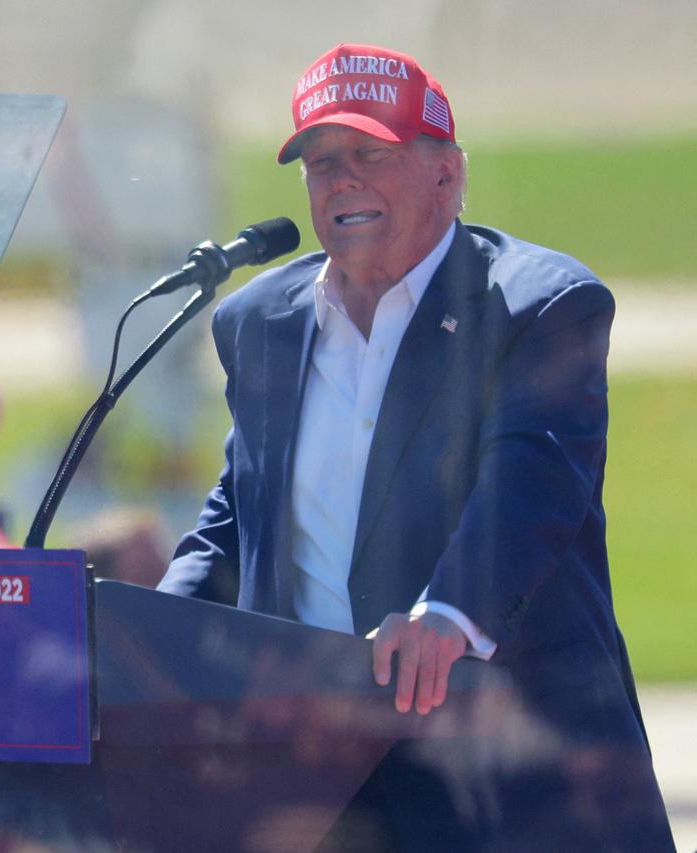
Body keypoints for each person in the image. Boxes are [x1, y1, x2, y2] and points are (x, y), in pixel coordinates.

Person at [157, 43, 674, 851]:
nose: (342, 179)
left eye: (371, 153)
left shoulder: (540, 305)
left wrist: (447, 615)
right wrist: (150, 628)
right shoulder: (257, 321)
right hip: (317, 787)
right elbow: (240, 512)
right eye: (322, 161)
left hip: (507, 783)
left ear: (448, 174)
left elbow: (529, 481)